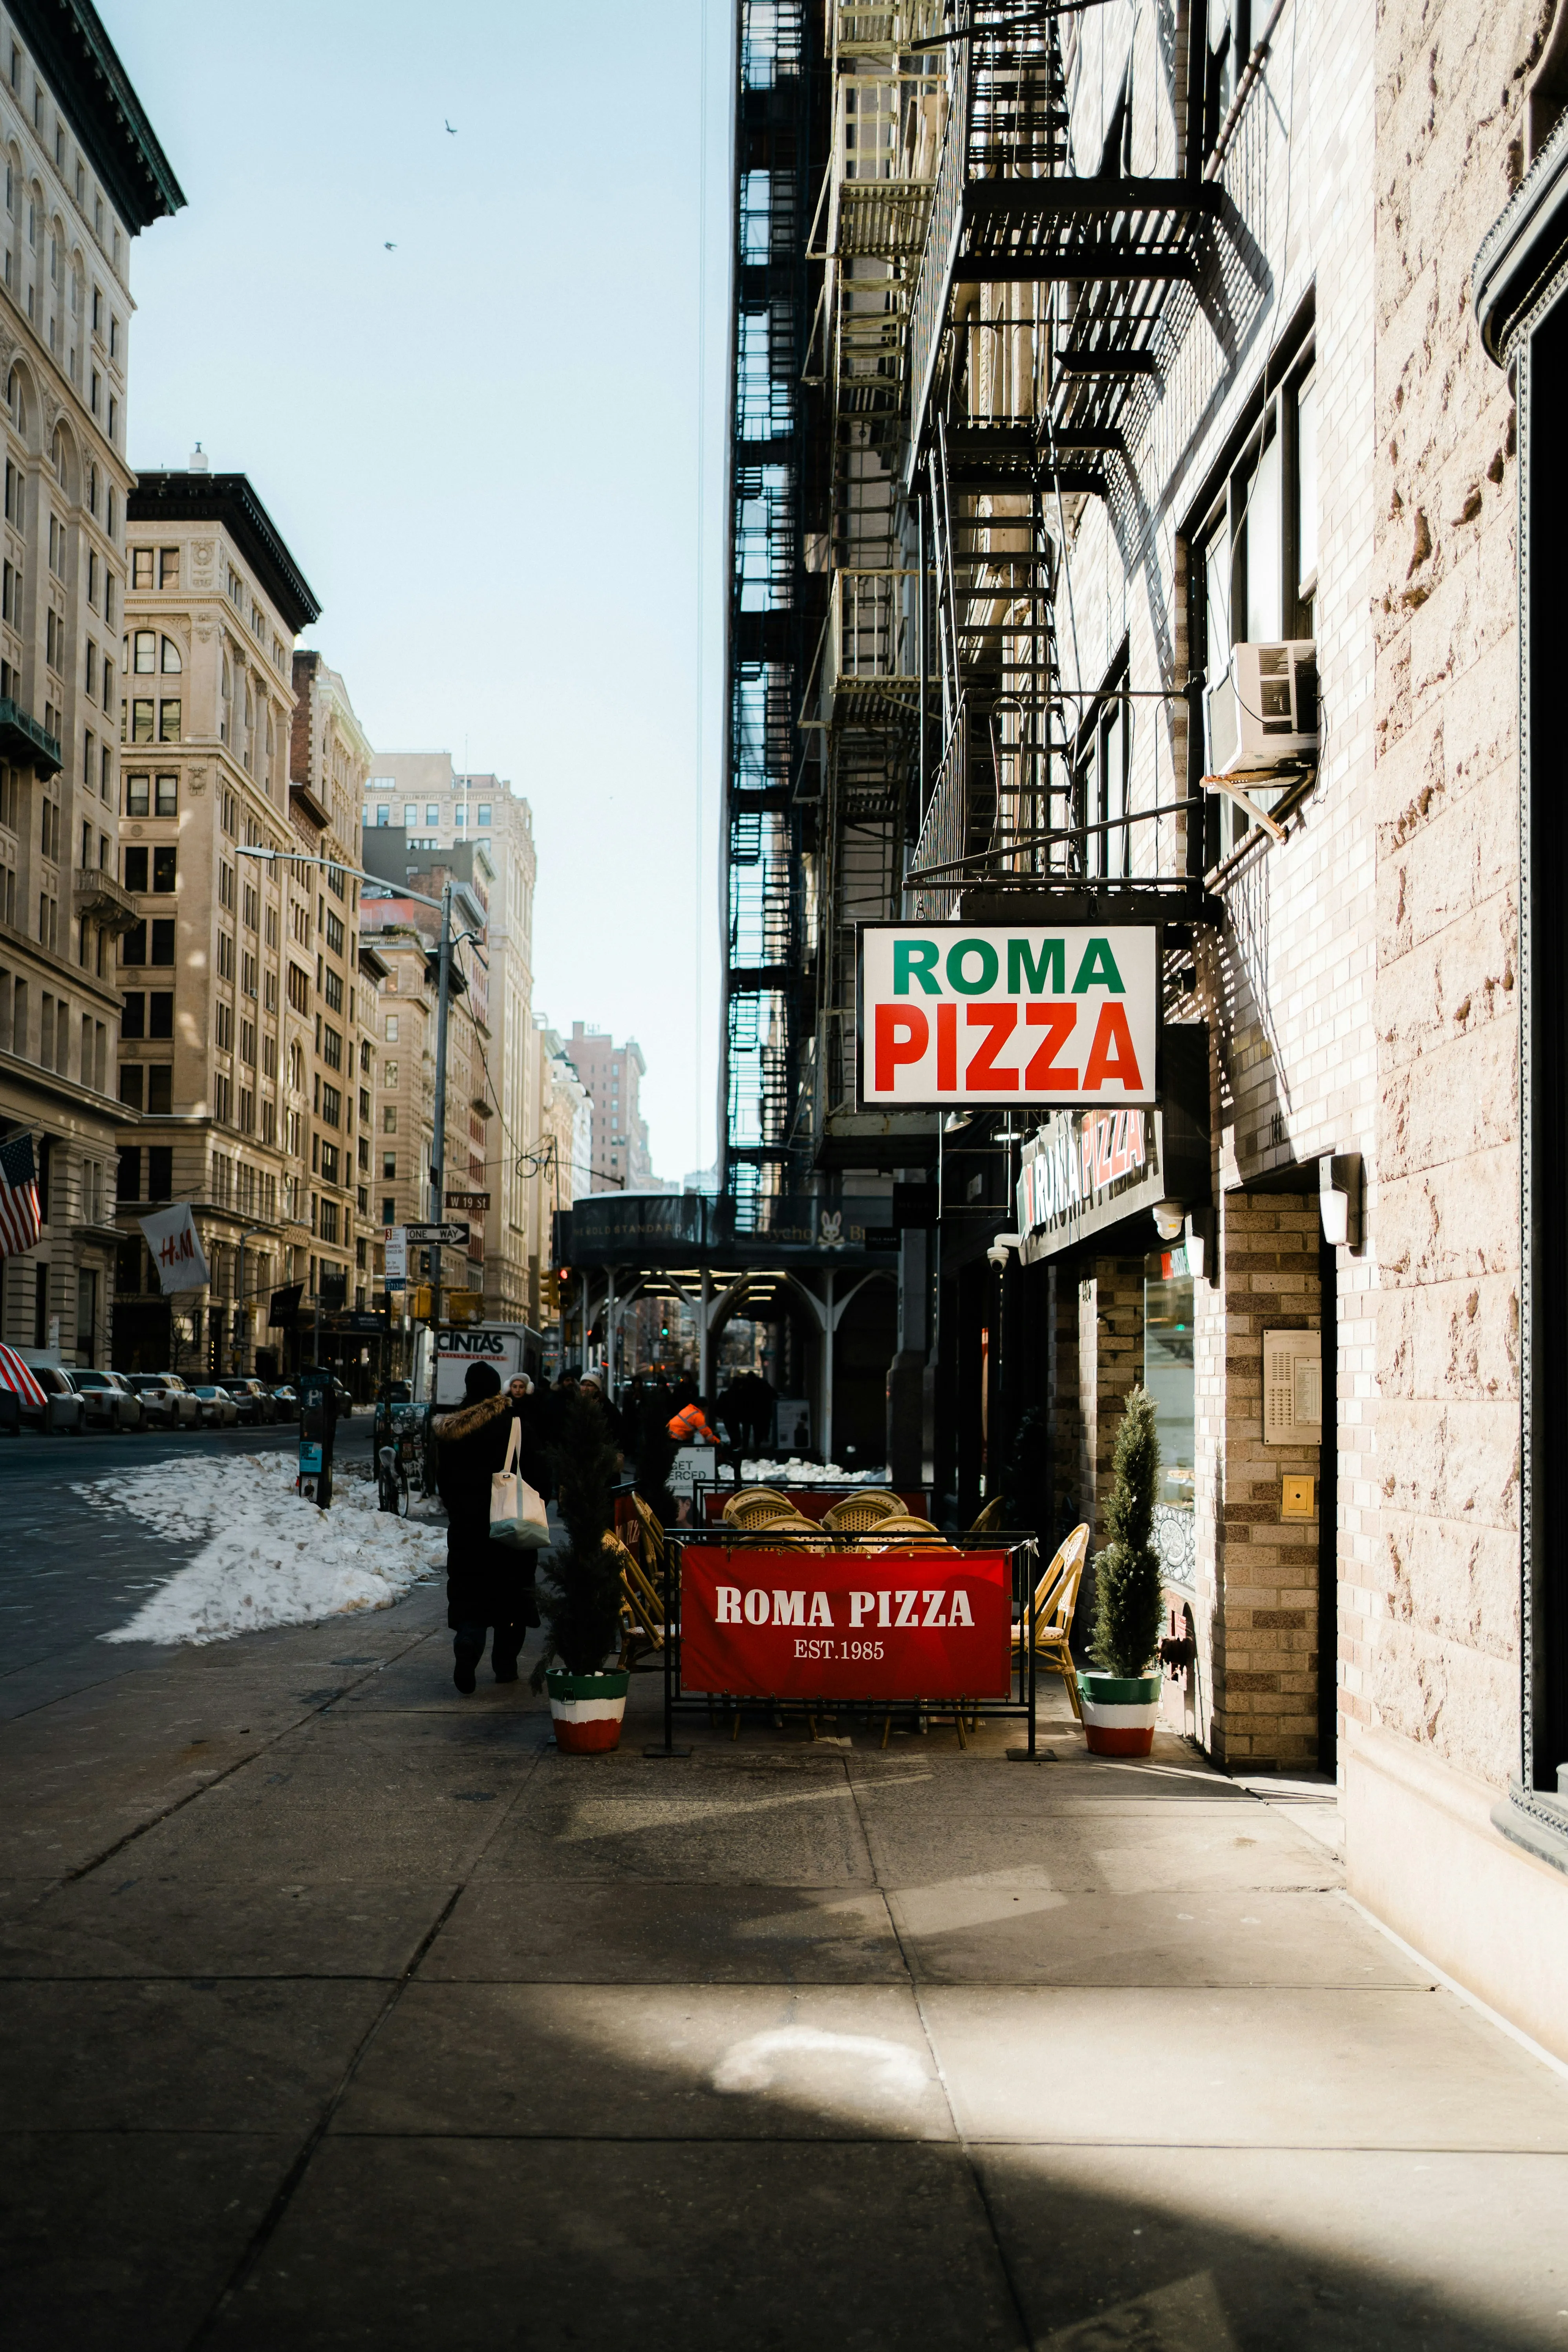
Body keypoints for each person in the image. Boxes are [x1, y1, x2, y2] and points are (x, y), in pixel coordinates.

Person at [434, 1360, 547, 1692]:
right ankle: (505, 1664)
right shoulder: (516, 1423)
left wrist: (460, 1509)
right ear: (497, 1387)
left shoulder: (452, 1430)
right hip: (511, 1527)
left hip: (468, 1529)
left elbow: (444, 1481)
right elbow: (540, 1471)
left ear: (468, 1388)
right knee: (512, 1596)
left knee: (471, 1593)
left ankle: (468, 1641)